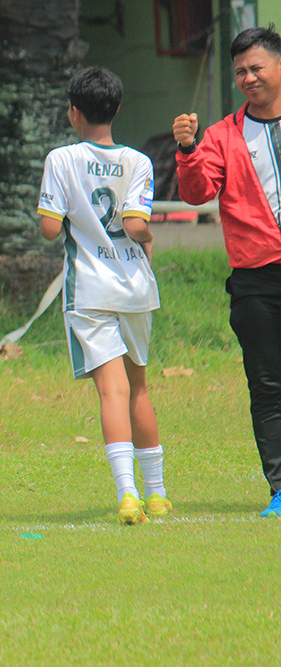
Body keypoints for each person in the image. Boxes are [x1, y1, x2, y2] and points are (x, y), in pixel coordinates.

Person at [38, 66, 168, 526]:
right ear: (116, 108)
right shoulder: (138, 161)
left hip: (90, 289)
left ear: (74, 112)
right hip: (135, 286)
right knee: (139, 387)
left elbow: (51, 229)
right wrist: (148, 236)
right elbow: (135, 226)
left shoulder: (61, 159)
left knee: (110, 391)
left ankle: (127, 494)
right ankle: (157, 493)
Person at [174, 25, 281, 518]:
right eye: (240, 71)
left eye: (256, 67)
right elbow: (196, 193)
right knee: (267, 384)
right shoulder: (222, 134)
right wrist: (189, 150)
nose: (248, 77)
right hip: (256, 279)